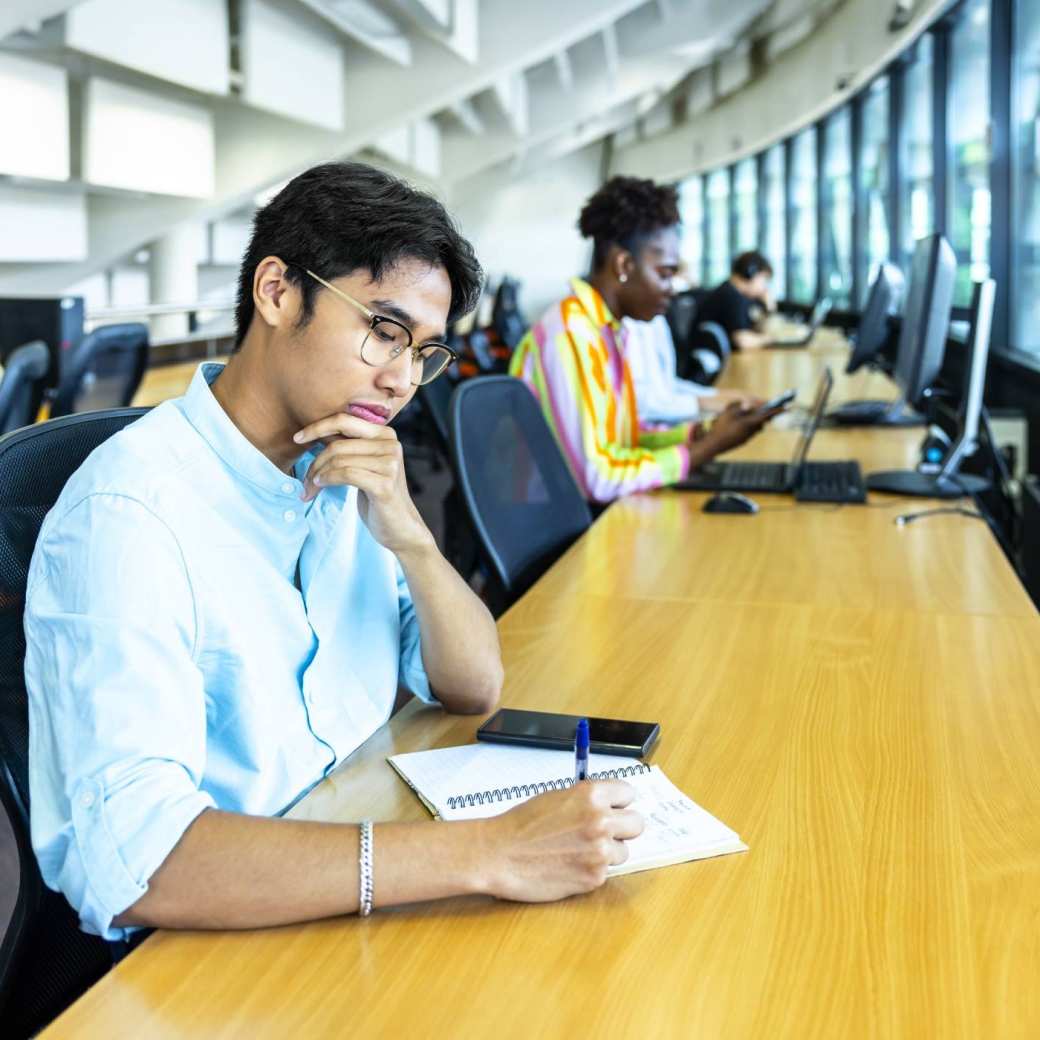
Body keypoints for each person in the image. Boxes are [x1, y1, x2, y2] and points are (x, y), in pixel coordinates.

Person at [25, 162, 644, 941]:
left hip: (353, 867)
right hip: (213, 940)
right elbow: (142, 865)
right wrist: (488, 851)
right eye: (384, 332)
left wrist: (410, 533)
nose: (400, 380)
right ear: (278, 291)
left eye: (423, 352)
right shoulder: (130, 516)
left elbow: (473, 684)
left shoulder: (346, 466)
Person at [508, 176, 776, 504]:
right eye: (664, 274)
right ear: (624, 265)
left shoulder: (609, 330)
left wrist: (703, 432)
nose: (671, 289)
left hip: (590, 512)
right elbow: (598, 478)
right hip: (560, 528)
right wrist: (706, 448)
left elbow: (624, 439)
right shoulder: (570, 336)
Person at [622, 314, 757, 424]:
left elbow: (666, 383)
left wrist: (713, 394)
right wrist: (700, 402)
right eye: (662, 279)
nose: (671, 289)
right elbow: (638, 405)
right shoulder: (624, 326)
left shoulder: (657, 320)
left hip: (666, 420)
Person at [697, 251, 777, 351]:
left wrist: (769, 308)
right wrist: (771, 339)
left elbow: (757, 330)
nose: (764, 287)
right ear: (751, 273)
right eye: (764, 279)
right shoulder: (730, 296)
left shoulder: (736, 294)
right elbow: (742, 341)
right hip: (716, 362)